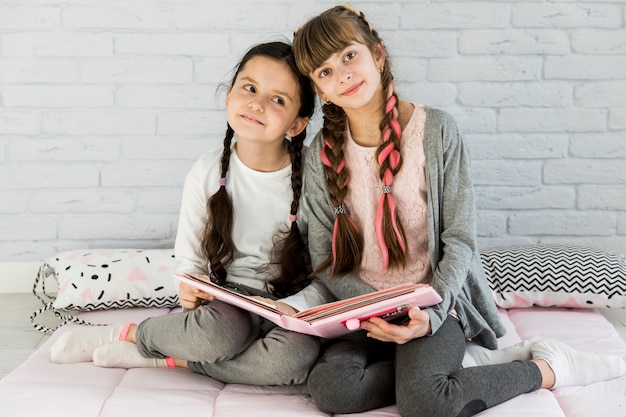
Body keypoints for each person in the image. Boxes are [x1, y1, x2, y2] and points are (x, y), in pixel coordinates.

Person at [292, 5, 626, 416]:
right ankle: (434, 371)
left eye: (348, 55)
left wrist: (427, 315)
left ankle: (545, 366)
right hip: (364, 312)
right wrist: (376, 310)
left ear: (377, 54)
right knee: (332, 391)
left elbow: (460, 238)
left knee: (427, 403)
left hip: (435, 305)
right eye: (324, 72)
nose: (341, 74)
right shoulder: (319, 157)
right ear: (319, 91)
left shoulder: (436, 132)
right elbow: (325, 258)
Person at [49, 41, 331, 386]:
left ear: (297, 125)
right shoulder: (208, 170)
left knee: (293, 362)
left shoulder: (315, 181)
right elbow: (189, 257)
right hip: (227, 301)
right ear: (229, 96)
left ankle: (172, 359)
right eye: (249, 88)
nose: (256, 103)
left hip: (287, 304)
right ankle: (132, 333)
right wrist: (189, 284)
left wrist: (296, 308)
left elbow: (327, 271)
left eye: (277, 99)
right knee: (219, 335)